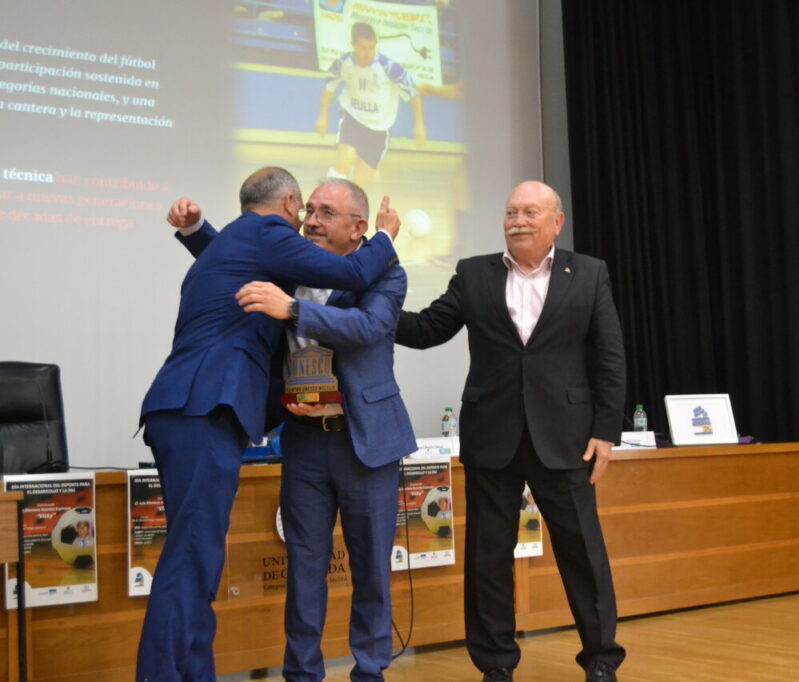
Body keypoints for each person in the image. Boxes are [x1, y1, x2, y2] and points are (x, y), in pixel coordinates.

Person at [137, 167, 399, 682]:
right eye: (308, 210)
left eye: (325, 213)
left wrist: (195, 231)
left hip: (206, 412)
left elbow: (363, 316)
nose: (310, 221)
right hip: (204, 409)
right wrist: (387, 236)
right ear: (288, 207)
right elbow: (342, 272)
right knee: (191, 559)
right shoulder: (272, 237)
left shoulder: (253, 242)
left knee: (199, 557)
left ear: (356, 224)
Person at [396, 181, 627, 682]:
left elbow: (609, 358)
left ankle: (601, 660)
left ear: (556, 222)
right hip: (491, 437)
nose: (517, 219)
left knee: (583, 555)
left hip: (566, 437)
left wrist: (606, 431)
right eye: (510, 211)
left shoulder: (588, 273)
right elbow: (427, 329)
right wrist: (374, 306)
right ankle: (496, 664)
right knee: (487, 560)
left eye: (530, 211)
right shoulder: (474, 274)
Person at [314, 21, 426, 186]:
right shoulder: (343, 63)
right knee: (344, 164)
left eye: (372, 47)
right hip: (352, 118)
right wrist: (322, 117)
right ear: (353, 45)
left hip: (378, 129)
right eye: (363, 47)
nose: (368, 52)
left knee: (359, 186)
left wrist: (419, 125)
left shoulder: (389, 68)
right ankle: (326, 201)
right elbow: (329, 85)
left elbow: (414, 94)